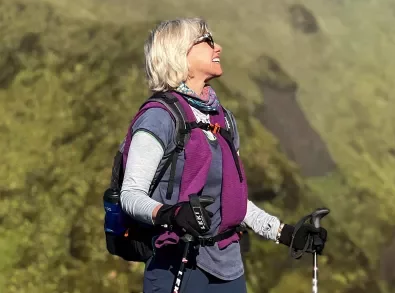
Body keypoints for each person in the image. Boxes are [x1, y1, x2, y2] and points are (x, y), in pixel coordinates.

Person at [120, 18, 328, 293]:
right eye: (206, 41)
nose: (217, 47)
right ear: (179, 53)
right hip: (176, 267)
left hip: (229, 271)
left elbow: (233, 203)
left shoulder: (223, 119)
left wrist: (285, 234)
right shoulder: (159, 118)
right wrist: (171, 214)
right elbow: (131, 194)